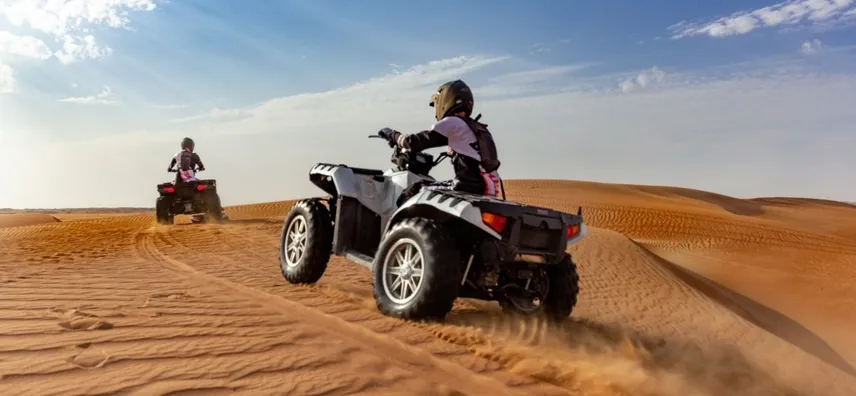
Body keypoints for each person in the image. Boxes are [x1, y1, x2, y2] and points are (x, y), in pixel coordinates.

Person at [378, 79, 503, 203]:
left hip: (469, 186)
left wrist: (391, 134)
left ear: (446, 100)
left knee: (412, 191)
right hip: (491, 188)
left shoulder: (452, 122)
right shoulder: (477, 128)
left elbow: (412, 142)